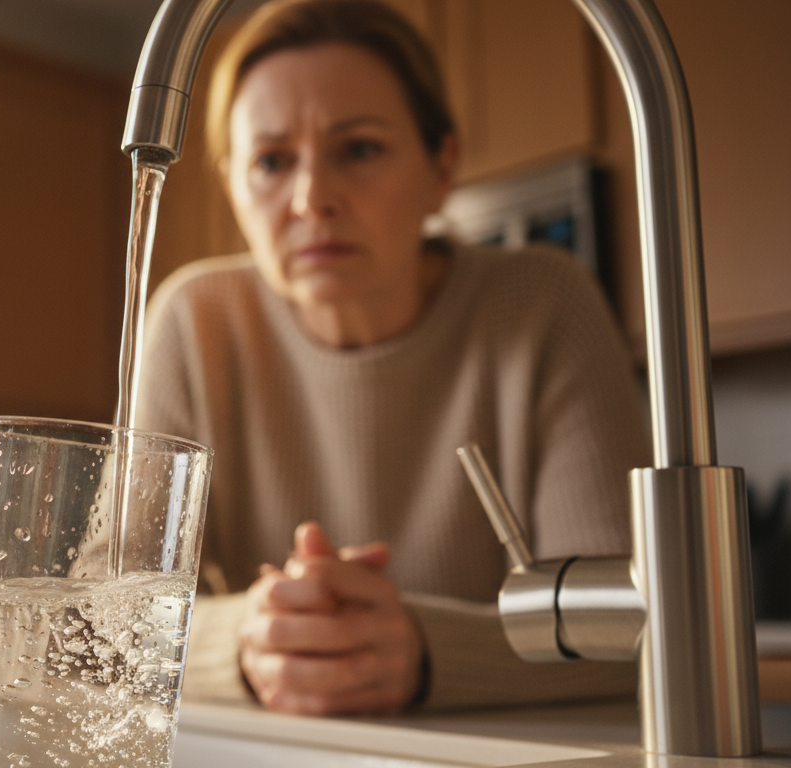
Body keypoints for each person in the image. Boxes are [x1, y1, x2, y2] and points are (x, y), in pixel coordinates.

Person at [134, 0, 650, 713]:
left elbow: (631, 622)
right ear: (232, 187)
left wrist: (425, 651)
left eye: (360, 149)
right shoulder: (193, 321)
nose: (313, 198)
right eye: (272, 162)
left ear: (442, 166)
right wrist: (248, 643)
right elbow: (101, 620)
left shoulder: (544, 305)